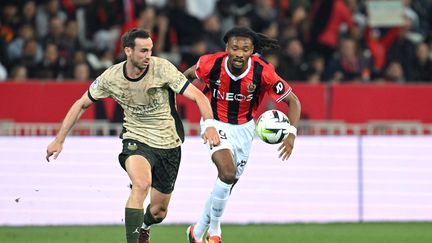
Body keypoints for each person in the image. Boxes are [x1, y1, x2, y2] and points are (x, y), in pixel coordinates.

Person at [45, 28, 220, 243]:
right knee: (141, 184)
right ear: (128, 50)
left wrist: (210, 125)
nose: (148, 56)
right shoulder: (111, 77)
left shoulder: (163, 68)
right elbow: (81, 104)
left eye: (150, 50)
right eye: (143, 51)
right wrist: (59, 139)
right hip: (136, 138)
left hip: (168, 143)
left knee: (159, 212)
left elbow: (198, 96)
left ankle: (145, 225)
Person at [184, 26, 301, 243]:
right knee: (227, 173)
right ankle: (216, 232)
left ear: (252, 51)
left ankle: (197, 232)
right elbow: (185, 78)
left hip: (245, 129)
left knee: (227, 183)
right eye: (235, 47)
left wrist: (291, 134)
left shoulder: (263, 71)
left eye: (245, 49)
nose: (239, 53)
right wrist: (172, 105)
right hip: (214, 122)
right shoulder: (210, 63)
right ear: (226, 47)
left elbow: (293, 101)